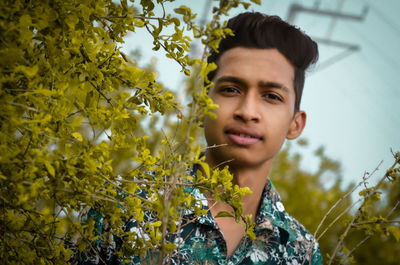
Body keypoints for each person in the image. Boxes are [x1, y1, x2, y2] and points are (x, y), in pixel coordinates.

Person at [72, 11, 321, 265]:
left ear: (295, 124)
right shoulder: (126, 205)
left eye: (271, 96)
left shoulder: (302, 253)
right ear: (201, 107)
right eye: (231, 90)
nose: (247, 112)